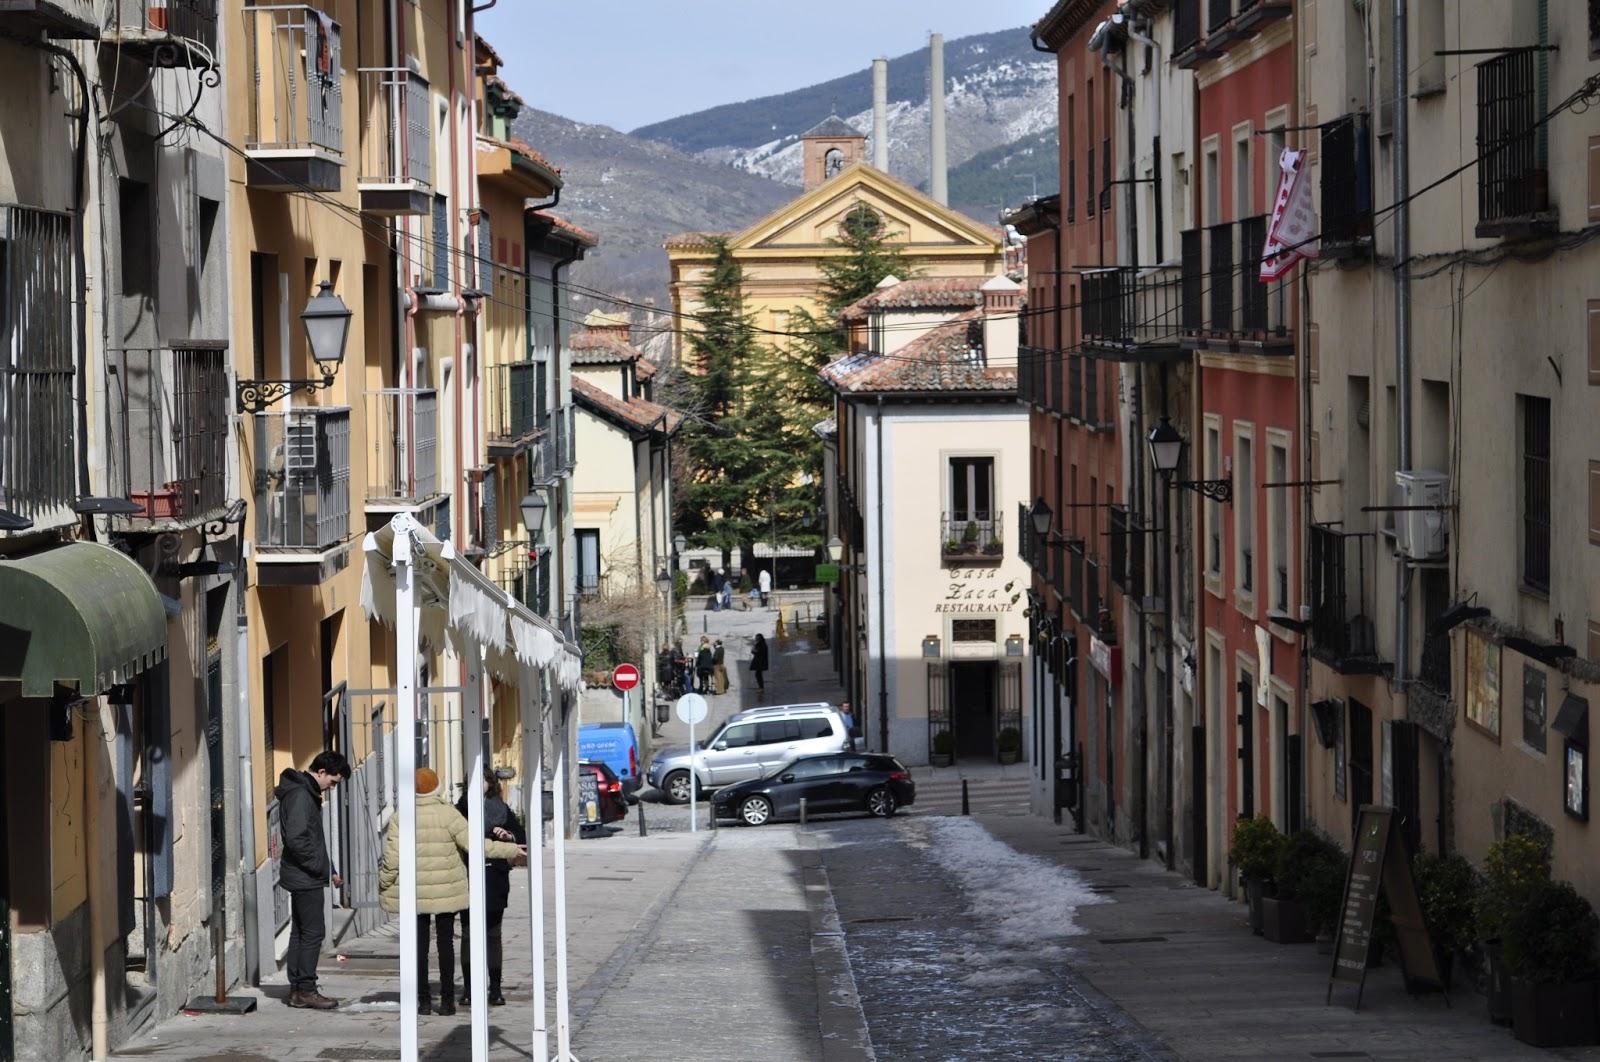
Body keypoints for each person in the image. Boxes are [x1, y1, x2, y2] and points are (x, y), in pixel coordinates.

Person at [379, 767, 525, 1016]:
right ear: (437, 787)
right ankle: (447, 1001)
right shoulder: (449, 815)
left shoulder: (401, 816)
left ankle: (423, 1001)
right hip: (447, 890)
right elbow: (476, 845)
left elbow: (392, 858)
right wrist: (511, 851)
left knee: (419, 946)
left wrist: (384, 882)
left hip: (415, 892)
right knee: (445, 944)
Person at [277, 750, 351, 1010]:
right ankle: (305, 989)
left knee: (301, 931)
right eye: (332, 782)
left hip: (304, 872)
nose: (332, 788)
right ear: (321, 772)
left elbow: (313, 838)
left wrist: (329, 867)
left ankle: (298, 988)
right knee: (313, 932)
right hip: (304, 875)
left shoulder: (306, 793)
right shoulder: (301, 795)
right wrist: (318, 865)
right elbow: (297, 839)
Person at [456, 774, 525, 1006]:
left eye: (484, 779)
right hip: (467, 876)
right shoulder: (461, 808)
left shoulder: (501, 808)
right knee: (468, 934)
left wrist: (508, 837)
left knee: (493, 934)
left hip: (495, 876)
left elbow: (521, 835)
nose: (480, 784)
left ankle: (495, 988)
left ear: (490, 783)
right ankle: (469, 988)